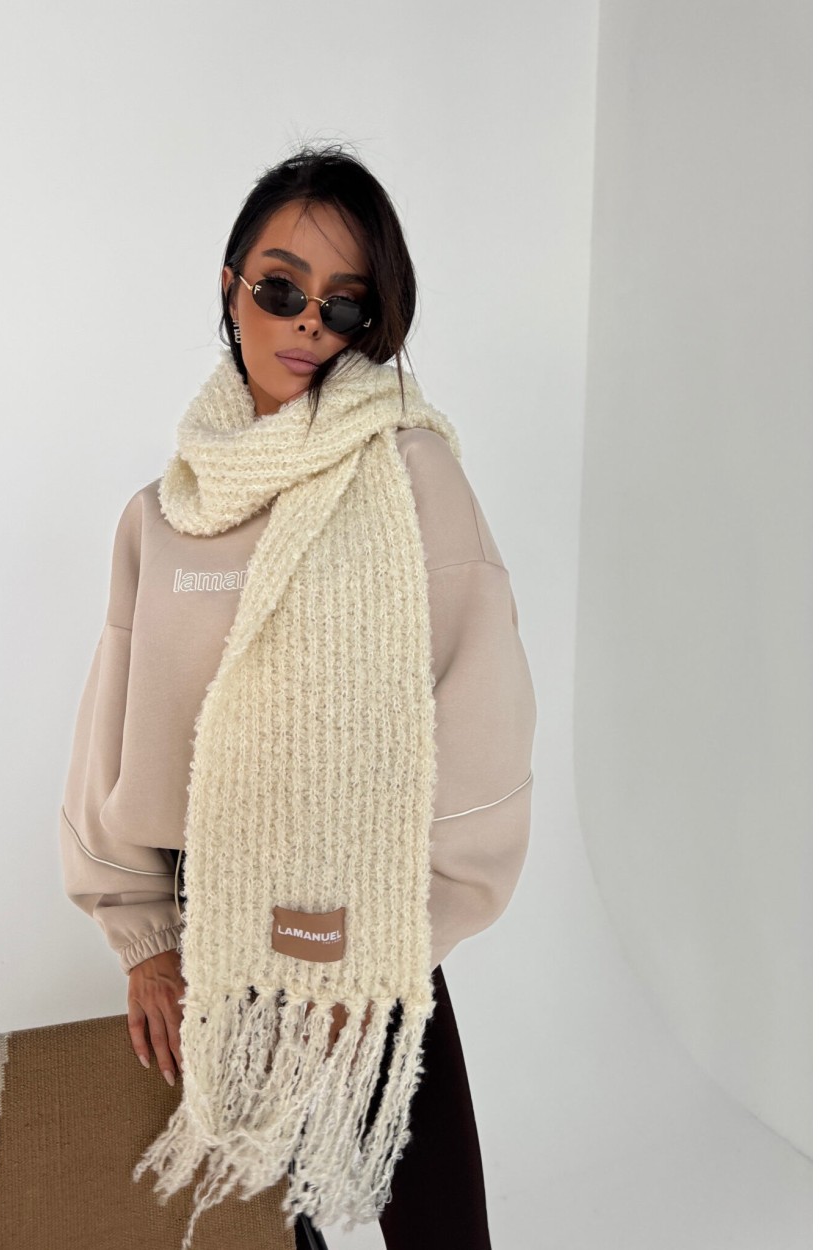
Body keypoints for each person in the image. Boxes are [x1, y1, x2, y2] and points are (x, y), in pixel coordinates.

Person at [58, 143, 537, 1250]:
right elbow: (113, 730)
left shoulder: (411, 476)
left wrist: (398, 940)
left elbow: (482, 715)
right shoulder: (161, 516)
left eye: (344, 303)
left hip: (366, 909)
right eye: (281, 287)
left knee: (436, 1224)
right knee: (267, 1228)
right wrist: (144, 936)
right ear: (231, 285)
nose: (308, 323)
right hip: (209, 919)